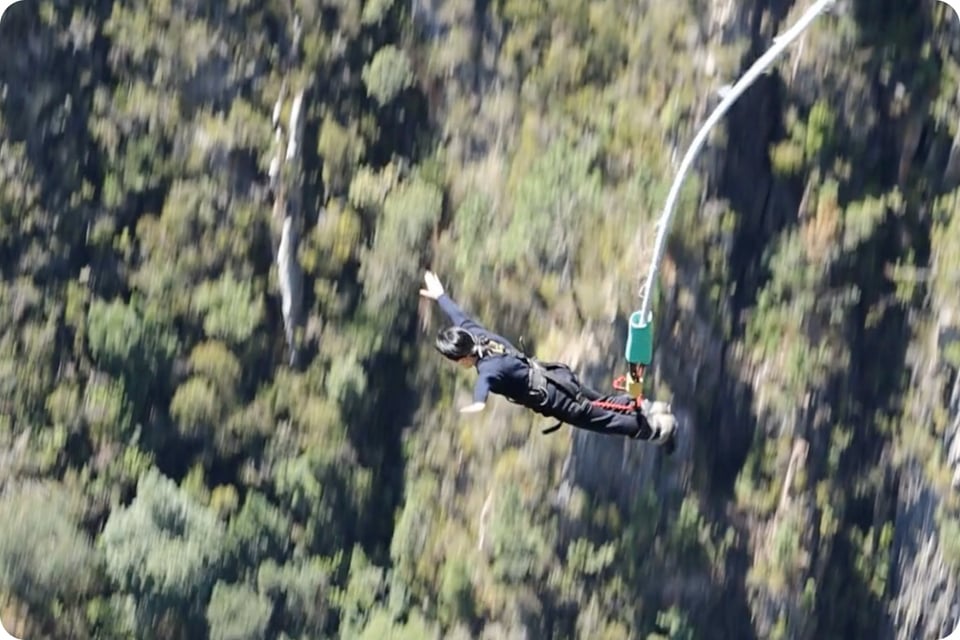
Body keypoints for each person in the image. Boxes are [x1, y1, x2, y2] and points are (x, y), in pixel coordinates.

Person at [419, 270, 677, 451]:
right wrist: (441, 296)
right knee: (600, 401)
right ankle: (649, 407)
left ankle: (658, 429)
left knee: (604, 420)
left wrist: (478, 403)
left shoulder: (487, 369)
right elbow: (458, 315)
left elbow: (483, 385)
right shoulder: (476, 334)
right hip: (555, 375)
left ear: (462, 358)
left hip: (556, 399)